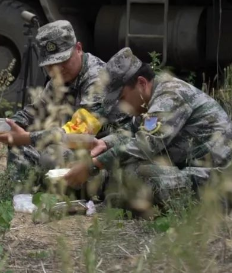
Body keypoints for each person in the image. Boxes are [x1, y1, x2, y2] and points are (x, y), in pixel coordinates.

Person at [64, 47, 232, 210]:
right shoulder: (150, 98)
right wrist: (104, 144)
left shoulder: (170, 95)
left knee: (141, 176)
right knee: (126, 171)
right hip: (193, 170)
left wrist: (94, 164)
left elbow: (144, 145)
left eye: (122, 98)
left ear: (141, 83)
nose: (122, 106)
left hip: (219, 177)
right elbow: (131, 130)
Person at [0, 20, 124, 179]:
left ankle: (58, 196)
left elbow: (78, 131)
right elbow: (33, 113)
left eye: (63, 61)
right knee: (19, 147)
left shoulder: (98, 78)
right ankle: (18, 196)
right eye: (51, 65)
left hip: (104, 153)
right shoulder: (59, 80)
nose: (58, 69)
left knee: (53, 155)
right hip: (75, 147)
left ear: (78, 48)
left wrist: (26, 137)